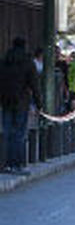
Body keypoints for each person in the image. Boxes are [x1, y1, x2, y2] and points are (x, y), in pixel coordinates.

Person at [0, 38, 39, 175]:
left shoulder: (4, 61)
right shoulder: (28, 62)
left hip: (6, 102)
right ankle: (17, 164)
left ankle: (6, 164)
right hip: (21, 101)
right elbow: (34, 85)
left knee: (7, 133)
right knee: (19, 134)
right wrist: (39, 104)